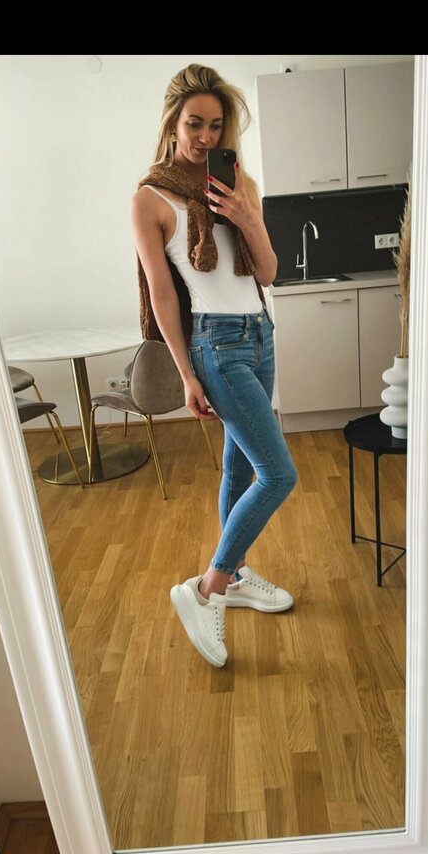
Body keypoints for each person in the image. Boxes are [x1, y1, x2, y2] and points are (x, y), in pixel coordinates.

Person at [131, 63, 297, 669]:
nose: (206, 137)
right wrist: (186, 373)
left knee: (239, 464)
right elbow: (163, 295)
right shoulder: (150, 198)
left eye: (216, 125)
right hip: (216, 345)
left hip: (260, 333)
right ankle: (207, 589)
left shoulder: (236, 182)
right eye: (194, 124)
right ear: (173, 124)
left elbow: (268, 272)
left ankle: (238, 573)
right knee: (277, 474)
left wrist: (246, 216)